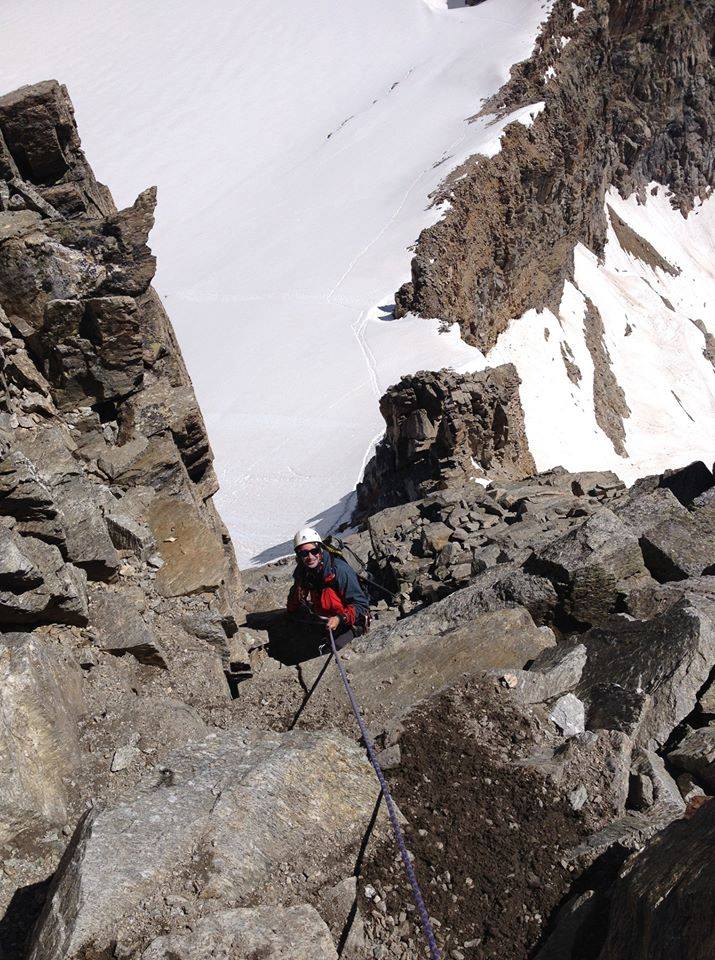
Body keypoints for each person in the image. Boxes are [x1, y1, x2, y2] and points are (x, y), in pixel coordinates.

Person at [286, 527, 370, 651]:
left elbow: (361, 604)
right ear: (298, 555)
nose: (310, 557)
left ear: (320, 550)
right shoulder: (303, 572)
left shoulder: (340, 570)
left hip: (350, 621)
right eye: (304, 553)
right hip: (326, 618)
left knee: (330, 650)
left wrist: (340, 618)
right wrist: (291, 613)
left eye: (314, 551)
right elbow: (296, 597)